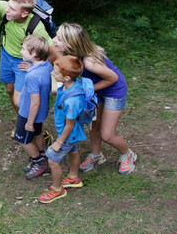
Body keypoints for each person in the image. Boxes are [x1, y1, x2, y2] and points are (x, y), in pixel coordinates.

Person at [51, 22, 137, 174]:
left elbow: (113, 79)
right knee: (94, 125)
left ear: (71, 44)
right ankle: (97, 155)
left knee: (107, 134)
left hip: (113, 91)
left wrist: (84, 90)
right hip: (94, 89)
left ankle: (127, 154)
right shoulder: (68, 55)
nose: (53, 40)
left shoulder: (89, 63)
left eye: (58, 39)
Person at [40, 55, 88, 203]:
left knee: (52, 160)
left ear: (67, 77)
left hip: (68, 135)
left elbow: (69, 125)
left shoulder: (72, 101)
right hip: (73, 133)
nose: (52, 73)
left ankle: (57, 189)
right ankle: (73, 177)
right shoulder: (71, 85)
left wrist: (59, 142)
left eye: (55, 72)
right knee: (73, 151)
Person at [17, 35, 55, 179]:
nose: (21, 51)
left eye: (23, 49)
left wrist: (29, 122)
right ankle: (42, 154)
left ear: (34, 53)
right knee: (38, 133)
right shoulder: (47, 66)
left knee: (22, 139)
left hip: (29, 113)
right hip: (41, 113)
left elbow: (35, 103)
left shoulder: (32, 76)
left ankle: (39, 162)